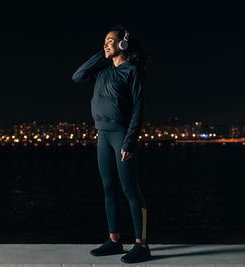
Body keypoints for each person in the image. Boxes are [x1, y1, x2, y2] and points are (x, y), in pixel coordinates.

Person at [72, 25, 151, 263]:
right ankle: (115, 241)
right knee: (108, 189)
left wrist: (130, 140)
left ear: (123, 44)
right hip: (103, 135)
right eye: (104, 41)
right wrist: (101, 52)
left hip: (122, 136)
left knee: (130, 190)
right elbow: (77, 76)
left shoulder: (132, 71)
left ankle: (142, 245)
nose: (105, 43)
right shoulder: (102, 72)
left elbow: (138, 108)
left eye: (110, 40)